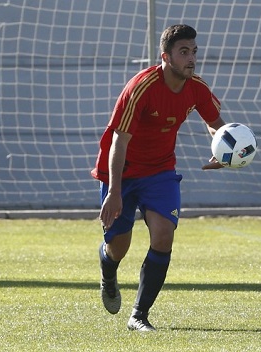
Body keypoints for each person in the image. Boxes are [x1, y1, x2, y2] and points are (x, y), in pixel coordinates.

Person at [91, 24, 225, 332]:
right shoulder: (141, 87)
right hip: (121, 172)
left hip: (160, 172)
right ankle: (108, 267)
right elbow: (118, 142)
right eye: (183, 53)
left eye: (193, 52)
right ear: (165, 57)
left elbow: (215, 123)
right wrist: (114, 192)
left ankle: (139, 315)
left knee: (164, 236)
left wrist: (223, 149)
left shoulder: (197, 87)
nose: (191, 59)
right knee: (118, 247)